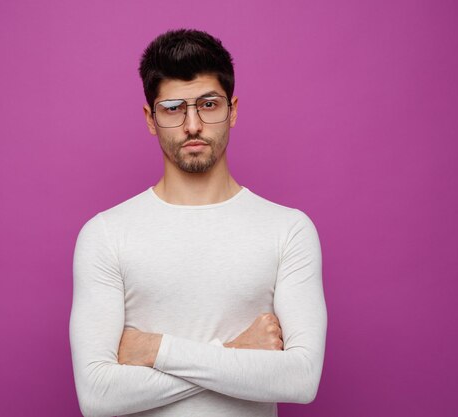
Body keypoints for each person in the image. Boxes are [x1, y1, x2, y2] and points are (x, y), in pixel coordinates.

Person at [69, 29, 327, 417]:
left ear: (233, 110)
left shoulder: (288, 230)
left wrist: (155, 350)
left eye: (208, 104)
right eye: (173, 108)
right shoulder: (105, 235)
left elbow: (300, 379)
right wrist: (234, 352)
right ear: (151, 118)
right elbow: (98, 396)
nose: (193, 125)